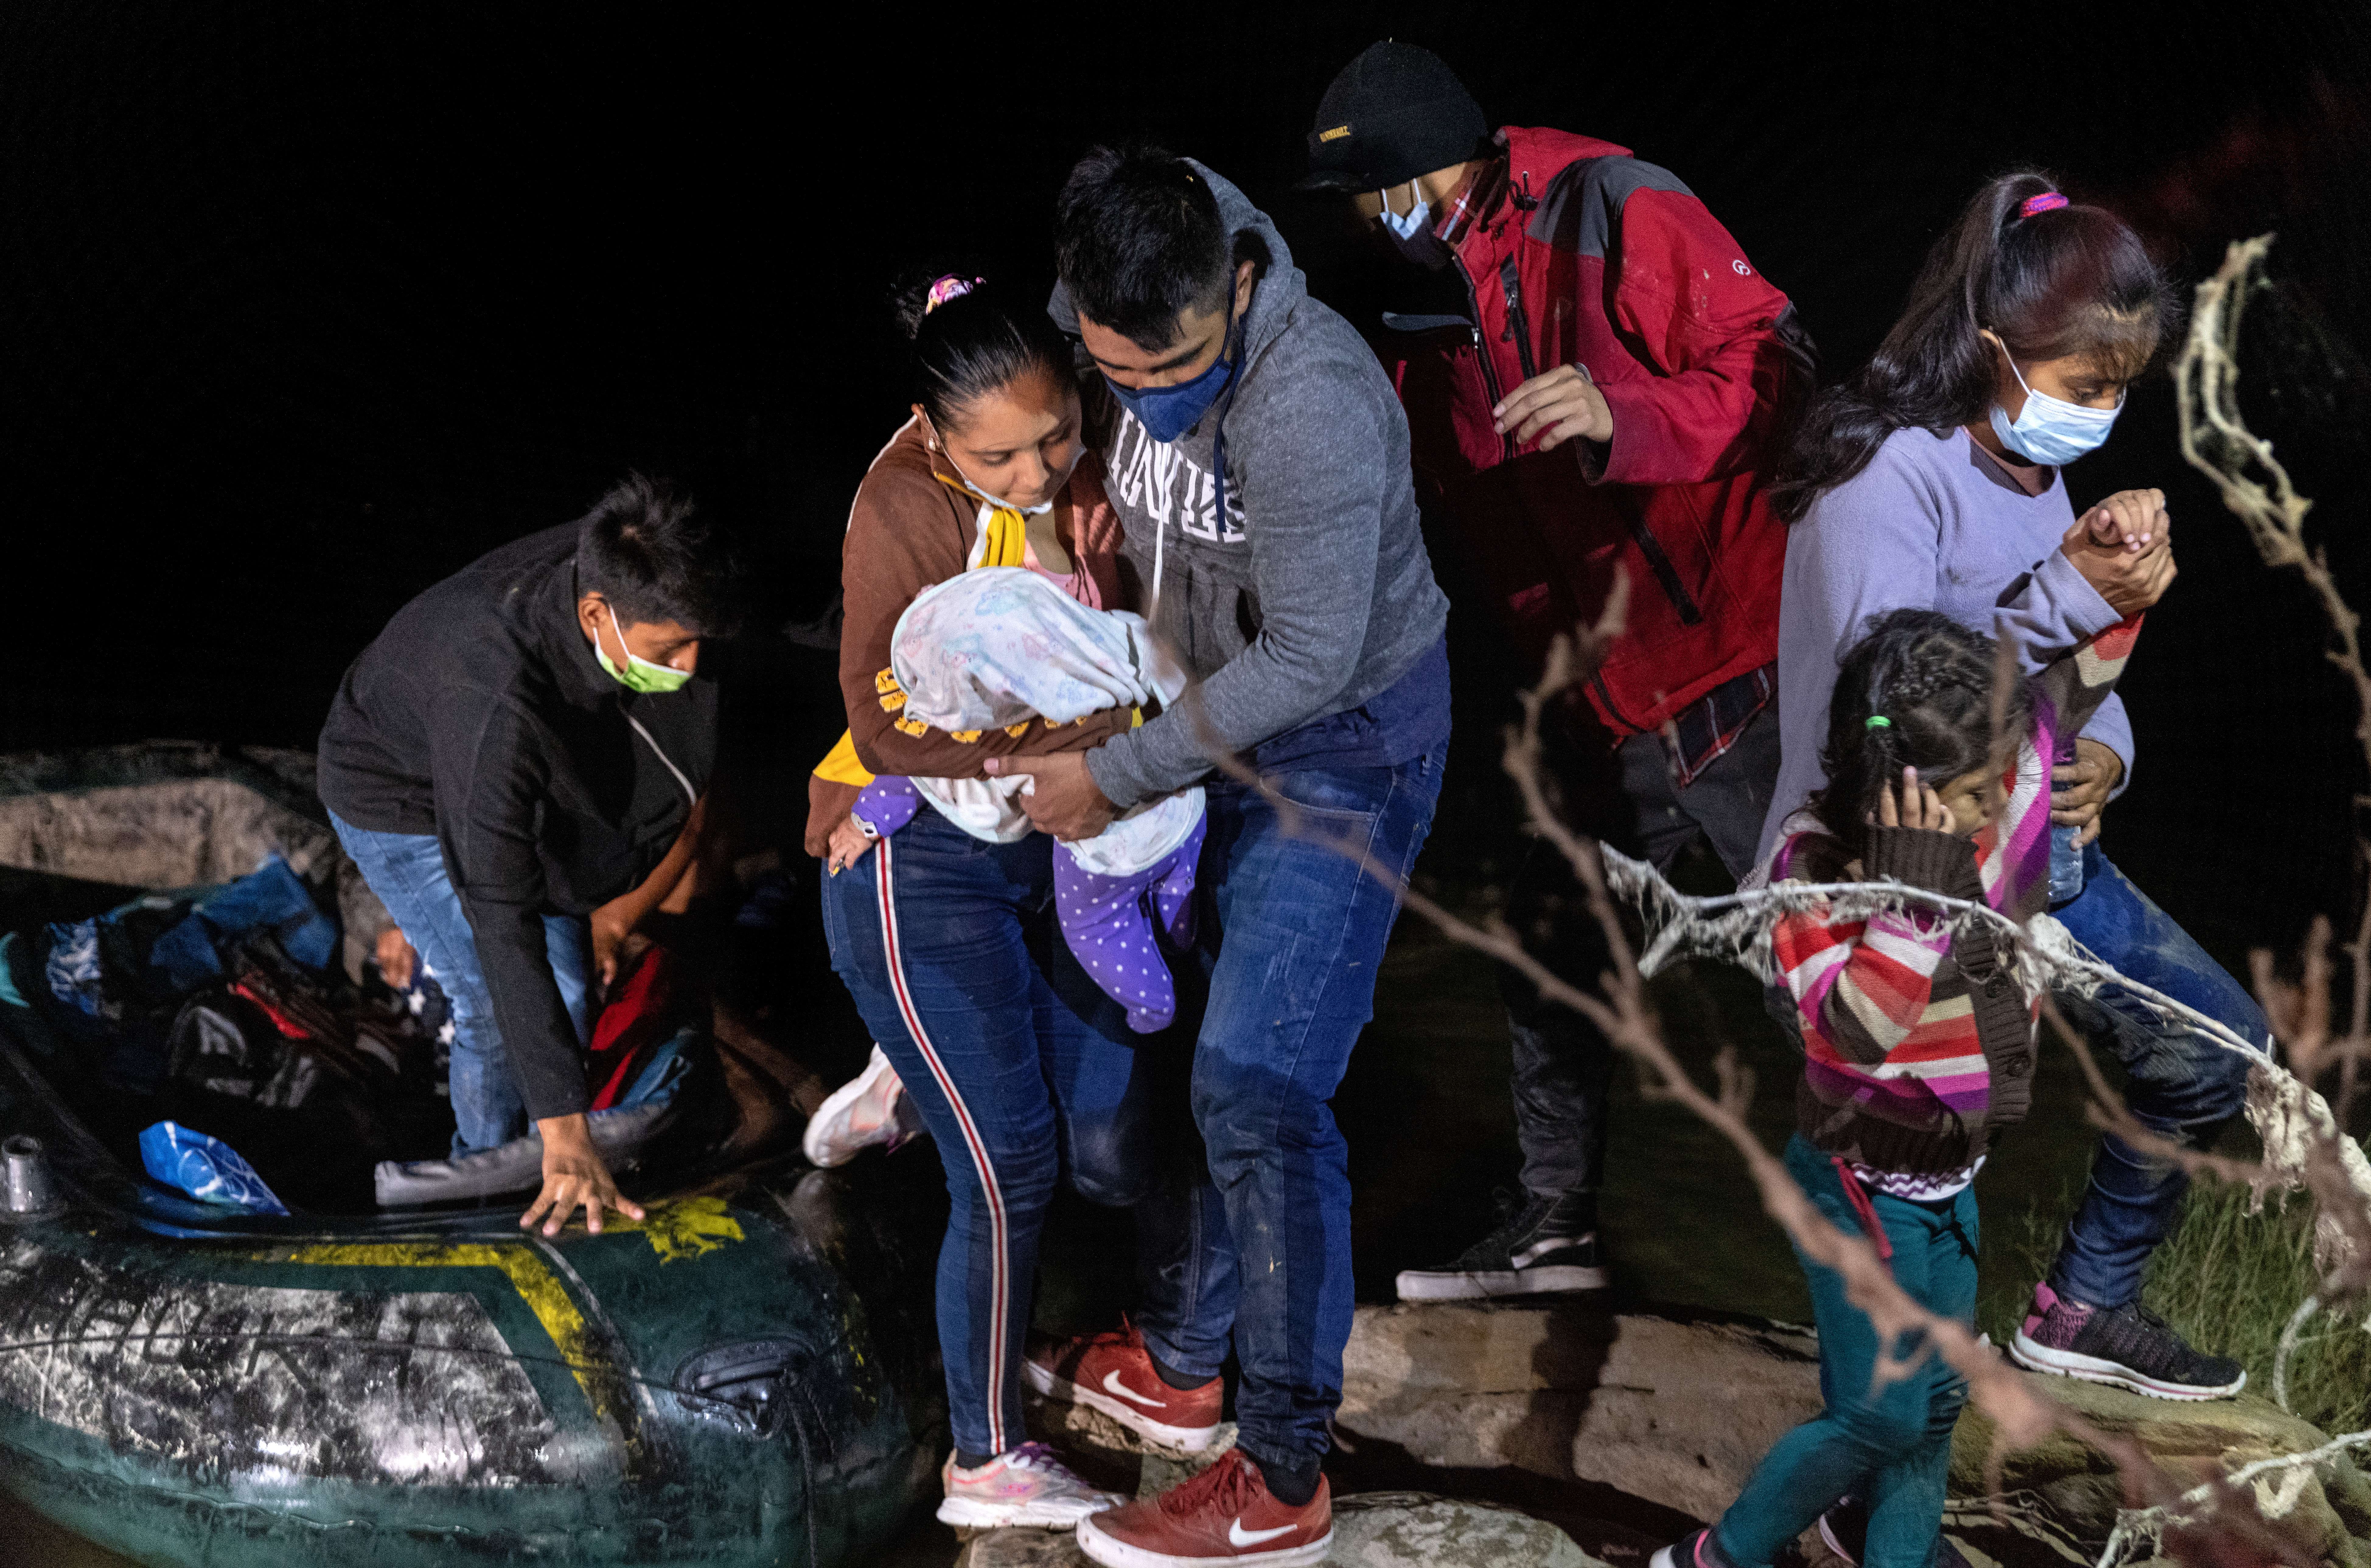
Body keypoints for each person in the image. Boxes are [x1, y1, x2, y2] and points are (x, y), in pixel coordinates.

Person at [1295, 40, 1817, 1301]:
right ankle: (1554, 1231)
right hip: (1595, 696)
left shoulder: (1607, 203)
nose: (1362, 224)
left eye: (1364, 195)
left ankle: (1891, 1278)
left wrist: (1621, 414)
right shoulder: (1421, 304)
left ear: (1411, 171)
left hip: (1734, 665)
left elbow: (1778, 366)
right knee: (1546, 943)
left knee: (1819, 977)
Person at [999, 145, 1451, 1568]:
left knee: (1260, 1082)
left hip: (1338, 750)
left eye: (1177, 370)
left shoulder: (1310, 400)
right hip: (1200, 711)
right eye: (1118, 373)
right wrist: (1089, 479)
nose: (1149, 397)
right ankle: (1183, 1364)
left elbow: (1309, 655)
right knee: (1192, 1042)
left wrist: (1113, 774)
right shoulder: (1114, 264)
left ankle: (1281, 1472)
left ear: (1240, 283)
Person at [1765, 171, 2253, 1399]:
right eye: (2084, 387)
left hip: (2028, 846)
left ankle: (2081, 1306)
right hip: (1900, 873)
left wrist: (2107, 750)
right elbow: (1886, 716)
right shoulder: (1886, 480)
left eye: (2119, 389)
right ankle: (1873, 1441)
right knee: (1910, 1168)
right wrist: (2076, 594)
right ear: (1993, 346)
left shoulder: (2030, 468)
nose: (2100, 415)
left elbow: (2065, 660)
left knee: (2214, 1051)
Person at [1657, 600, 2147, 1568]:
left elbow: (2069, 689)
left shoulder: (1997, 791)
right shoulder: (1813, 876)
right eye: (1973, 792)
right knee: (1881, 1416)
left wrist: (2122, 587)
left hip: (1949, 1179)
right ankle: (1716, 1556)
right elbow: (1853, 1038)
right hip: (1855, 1185)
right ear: (1896, 795)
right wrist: (1911, 903)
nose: (2003, 799)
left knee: (1940, 1400)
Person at [803, 274, 1174, 1531]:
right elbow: (878, 717)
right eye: (999, 457)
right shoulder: (901, 501)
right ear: (931, 431)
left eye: (1054, 437)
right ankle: (987, 1459)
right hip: (916, 857)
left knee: (1108, 1144)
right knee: (1009, 1164)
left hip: (1048, 849)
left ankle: (907, 1071)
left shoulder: (1095, 465)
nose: (1034, 472)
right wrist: (1068, 753)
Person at [317, 475, 731, 1235]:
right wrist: (566, 1134)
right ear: (597, 615)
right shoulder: (493, 703)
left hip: (495, 762)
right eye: (671, 648)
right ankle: (476, 1196)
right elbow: (503, 919)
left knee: (568, 993)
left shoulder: (632, 562)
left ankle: (534, 1158)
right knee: (490, 1003)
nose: (691, 663)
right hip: (394, 793)